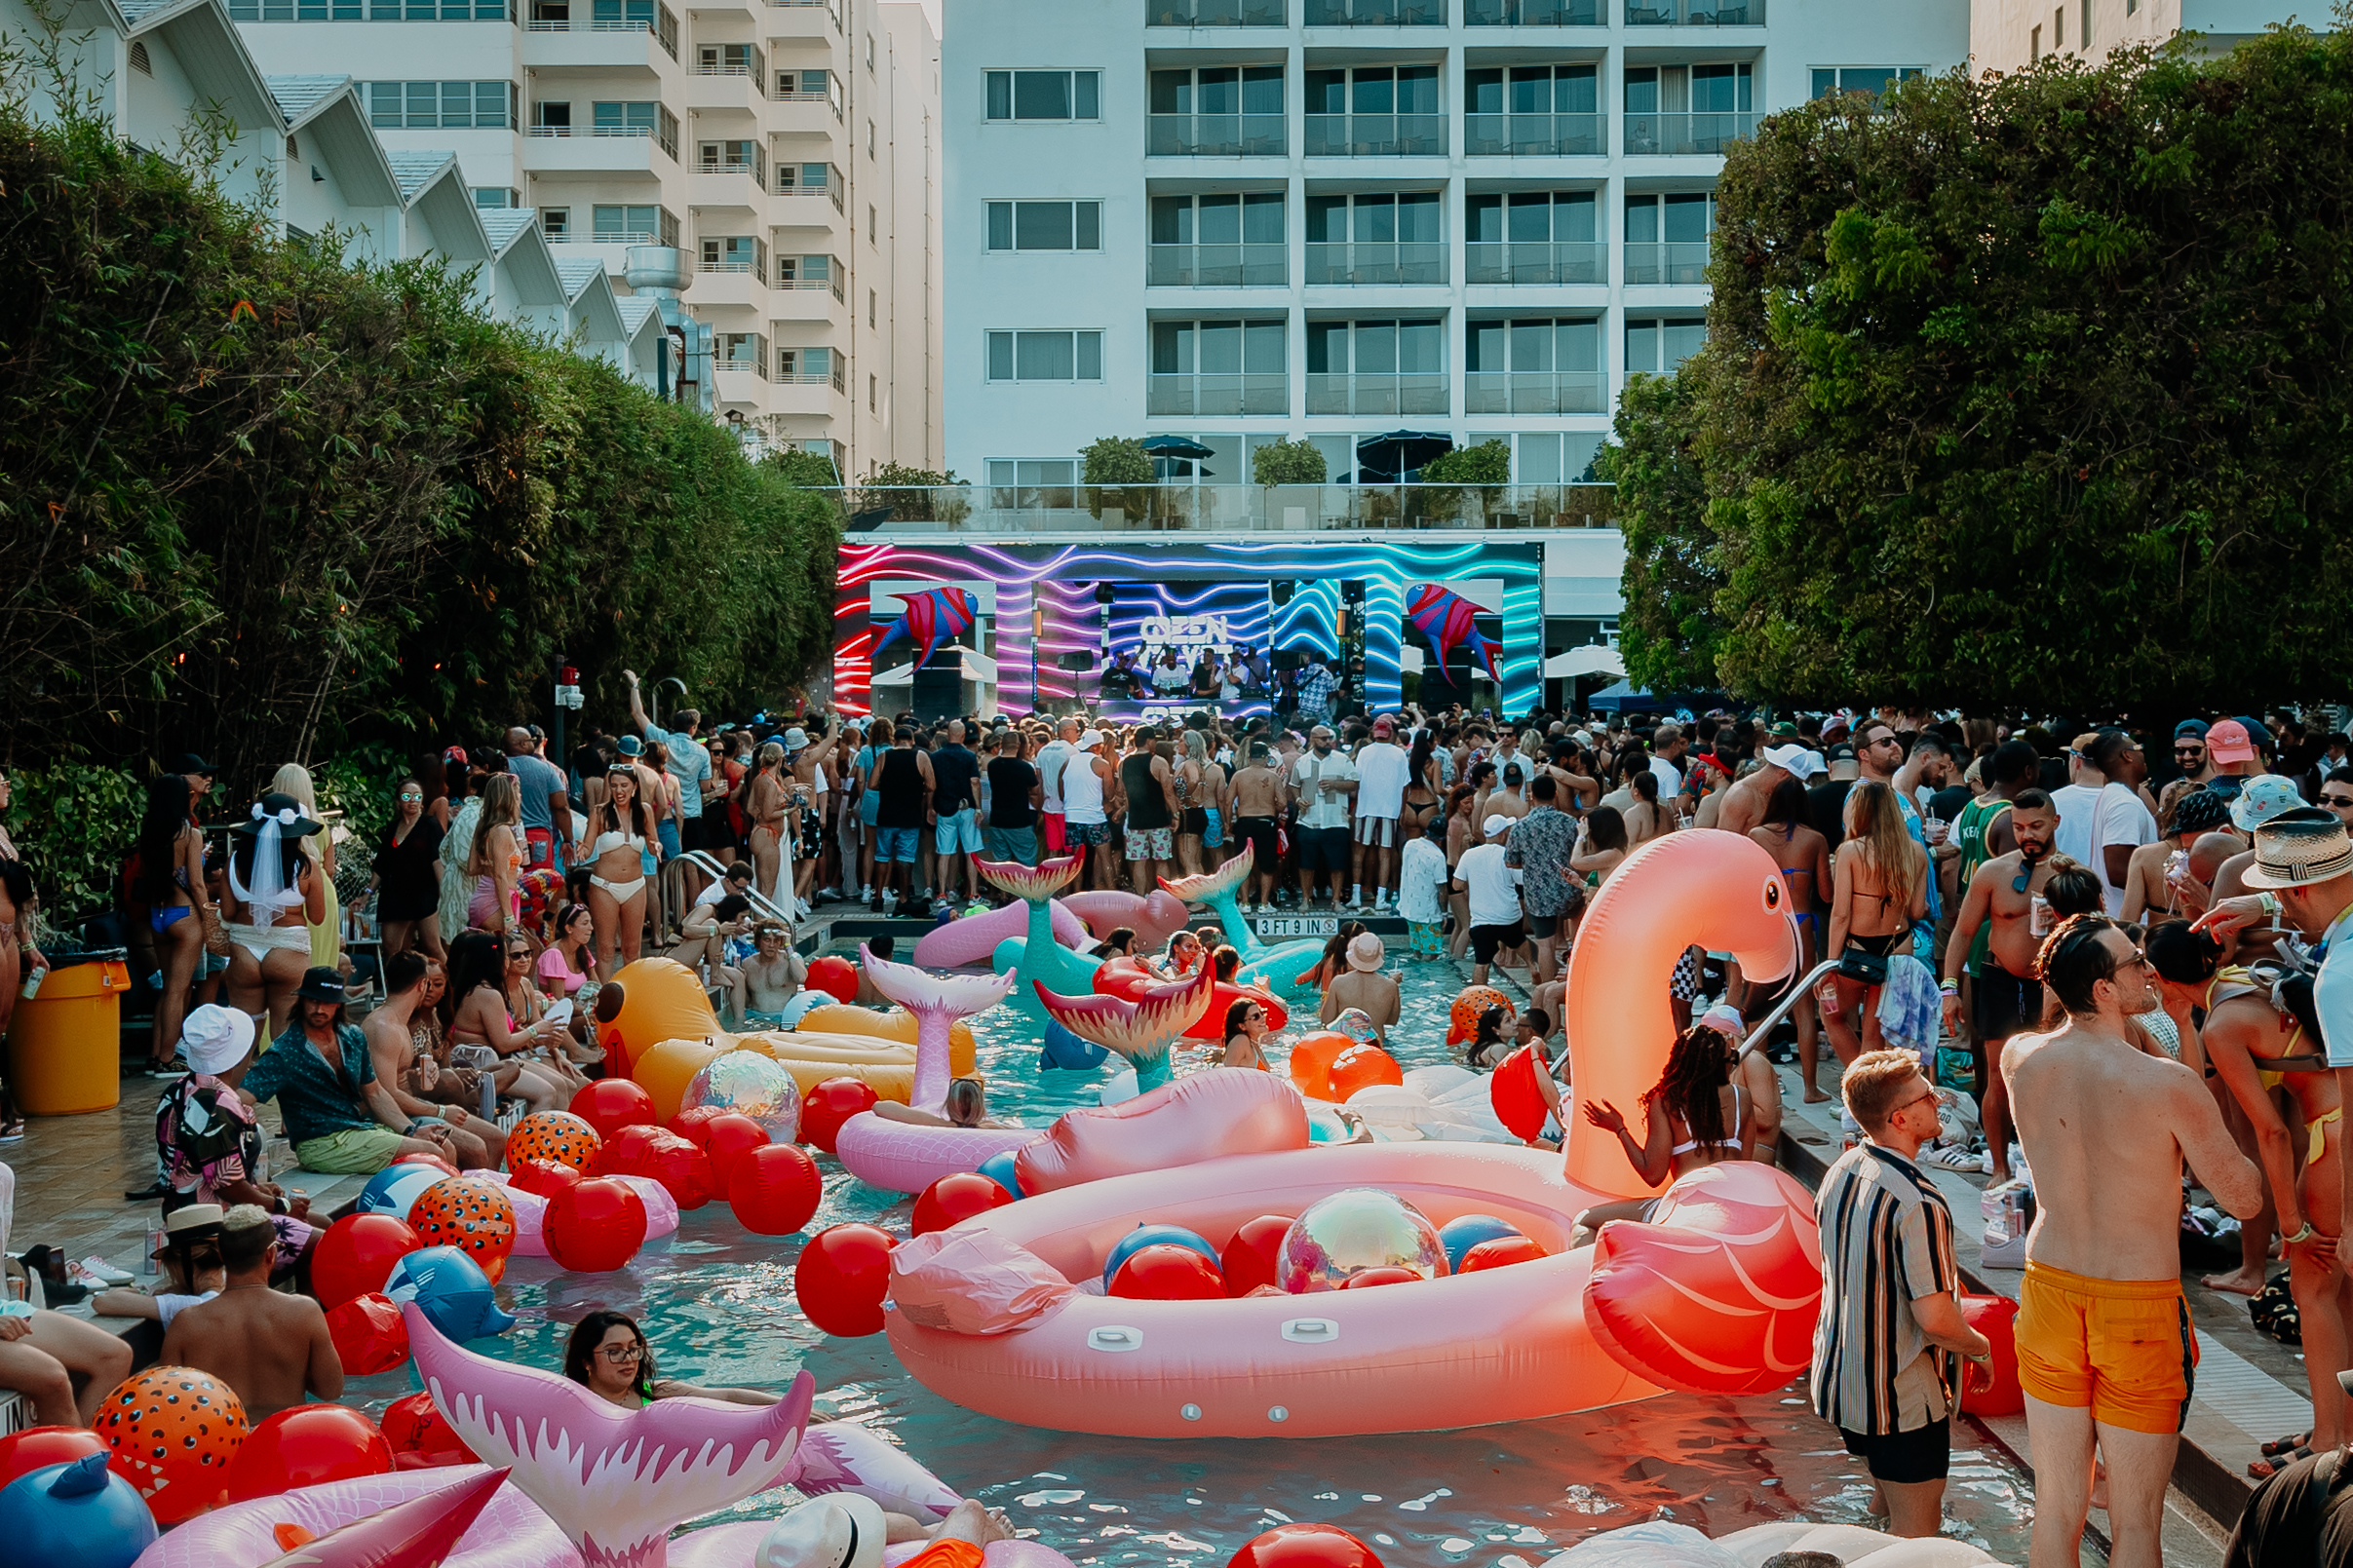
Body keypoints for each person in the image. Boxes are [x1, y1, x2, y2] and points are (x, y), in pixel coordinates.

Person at [2005, 914, 2263, 1568]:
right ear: (2102, 990)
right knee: (2137, 1525)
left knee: (2058, 1504)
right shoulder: (2169, 1083)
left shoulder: (2020, 1059)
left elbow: (2083, 1047)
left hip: (2048, 1290)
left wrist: (2141, 1018)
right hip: (2139, 1308)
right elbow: (2245, 1199)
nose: (2147, 967)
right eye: (2132, 962)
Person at [1808, 1051, 1996, 1538]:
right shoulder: (1919, 1201)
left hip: (1841, 1382)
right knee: (1916, 1540)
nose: (1938, 1100)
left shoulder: (1843, 1168)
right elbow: (1934, 1318)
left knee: (1881, 1508)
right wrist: (1980, 1347)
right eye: (1926, 1096)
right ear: (1900, 1118)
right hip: (1898, 1397)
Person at [1938, 789, 2063, 1184]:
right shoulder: (1993, 872)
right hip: (1999, 979)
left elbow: (2091, 930)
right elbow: (1963, 932)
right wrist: (1949, 988)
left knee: (2052, 1073)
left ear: (2055, 824)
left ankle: (2045, 1161)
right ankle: (1999, 1165)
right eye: (2020, 827)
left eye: (2037, 826)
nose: (2028, 835)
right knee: (1997, 1074)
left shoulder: (2070, 874)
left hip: (2052, 984)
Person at [239, 967, 453, 1173]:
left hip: (358, 1131)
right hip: (320, 1145)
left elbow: (375, 1093)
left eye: (327, 1002)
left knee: (445, 1147)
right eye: (313, 1001)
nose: (319, 1009)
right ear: (302, 1001)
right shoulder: (285, 1051)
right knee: (432, 1154)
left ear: (338, 1004)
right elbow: (242, 1097)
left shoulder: (352, 1036)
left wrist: (411, 1131)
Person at [1572, 1024, 1755, 1241]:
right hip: (1733, 1201)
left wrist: (1619, 1129)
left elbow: (1653, 1174)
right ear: (1719, 1065)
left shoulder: (1668, 1102)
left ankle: (1591, 1273)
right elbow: (1745, 1166)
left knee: (1584, 1220)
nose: (1732, 1066)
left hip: (1686, 1203)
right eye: (1732, 1059)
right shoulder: (1741, 1098)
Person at [162, 1205, 341, 1421]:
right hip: (283, 1440)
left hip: (223, 1445)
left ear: (220, 1256)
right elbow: (331, 1390)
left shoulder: (187, 1323)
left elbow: (168, 1403)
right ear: (271, 1254)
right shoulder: (304, 1312)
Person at [155, 1004, 316, 1237]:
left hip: (179, 1213)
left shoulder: (176, 1091)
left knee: (318, 1224)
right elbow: (228, 1187)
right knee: (320, 1237)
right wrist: (283, 1206)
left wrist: (258, 1189)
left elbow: (208, 1168)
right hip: (218, 1226)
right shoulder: (220, 1106)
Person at [363, 952, 502, 1169]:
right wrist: (441, 1112)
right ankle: (468, 1199)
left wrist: (417, 1074)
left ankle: (488, 1198)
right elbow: (386, 1093)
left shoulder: (399, 1020)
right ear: (422, 985)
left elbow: (389, 1075)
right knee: (475, 1148)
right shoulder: (384, 1028)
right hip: (396, 1117)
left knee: (496, 1138)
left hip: (414, 1106)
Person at [1824, 781, 1930, 1067]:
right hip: (1898, 947)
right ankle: (1871, 1094)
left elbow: (1841, 914)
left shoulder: (1850, 850)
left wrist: (1831, 965)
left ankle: (1857, 1088)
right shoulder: (1916, 850)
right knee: (1874, 1032)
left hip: (1860, 948)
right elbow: (1918, 911)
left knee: (1830, 1014)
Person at [1752, 777, 1832, 1101]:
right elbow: (1825, 895)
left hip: (1768, 923)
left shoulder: (1756, 836)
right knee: (1803, 1009)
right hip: (1800, 924)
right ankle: (1811, 1088)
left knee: (1760, 1007)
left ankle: (1756, 1085)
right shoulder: (1814, 839)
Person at [223, 791, 330, 1035]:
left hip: (244, 952)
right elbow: (317, 916)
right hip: (288, 952)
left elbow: (228, 912)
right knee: (286, 1035)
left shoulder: (233, 862)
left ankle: (238, 1075)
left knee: (242, 1035)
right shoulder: (307, 866)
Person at [135, 773, 212, 1074]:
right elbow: (197, 883)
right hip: (184, 916)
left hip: (158, 915)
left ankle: (157, 1055)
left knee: (168, 989)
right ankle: (168, 1058)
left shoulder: (149, 833)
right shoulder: (190, 835)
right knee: (179, 990)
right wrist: (209, 920)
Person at [565, 1309, 782, 1407]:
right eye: (614, 1351)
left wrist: (792, 1408)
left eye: (633, 1348)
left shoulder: (656, 1394)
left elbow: (726, 1396)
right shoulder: (571, 1406)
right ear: (586, 1361)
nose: (629, 1359)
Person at [583, 763, 660, 974]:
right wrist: (581, 850)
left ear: (634, 786)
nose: (619, 791)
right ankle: (605, 1000)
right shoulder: (600, 812)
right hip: (604, 886)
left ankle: (632, 998)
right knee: (606, 949)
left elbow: (653, 845)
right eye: (614, 786)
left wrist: (657, 846)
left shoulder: (644, 811)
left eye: (624, 785)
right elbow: (588, 847)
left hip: (635, 886)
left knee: (632, 951)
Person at [1505, 774, 1581, 985]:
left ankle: (1548, 989)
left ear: (1532, 796)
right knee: (1576, 940)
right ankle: (1574, 983)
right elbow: (1580, 854)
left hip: (1538, 892)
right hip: (1569, 887)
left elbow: (1510, 861)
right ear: (1555, 794)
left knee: (1545, 946)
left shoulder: (1521, 826)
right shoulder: (1570, 823)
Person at [372, 778, 446, 963]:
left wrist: (445, 892)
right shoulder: (391, 828)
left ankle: (452, 988)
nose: (412, 800)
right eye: (407, 796)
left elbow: (438, 861)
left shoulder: (430, 824)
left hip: (424, 894)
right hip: (396, 894)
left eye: (417, 796)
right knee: (392, 948)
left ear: (422, 800)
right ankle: (401, 987)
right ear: (399, 801)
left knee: (432, 947)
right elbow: (381, 865)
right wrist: (367, 893)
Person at [1289, 724, 1357, 906]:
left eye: (1329, 738)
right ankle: (1306, 898)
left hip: (1336, 820)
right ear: (1312, 740)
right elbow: (1293, 785)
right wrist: (1298, 800)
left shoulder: (1342, 760)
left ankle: (1336, 900)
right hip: (1308, 820)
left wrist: (1335, 784)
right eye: (1323, 739)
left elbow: (1354, 783)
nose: (1328, 742)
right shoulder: (1302, 762)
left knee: (1337, 864)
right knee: (1305, 864)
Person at [868, 725, 933, 914]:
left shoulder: (884, 756)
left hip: (886, 814)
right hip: (910, 816)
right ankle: (903, 898)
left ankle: (878, 898)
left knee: (882, 856)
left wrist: (888, 788)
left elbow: (871, 784)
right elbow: (931, 785)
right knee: (905, 858)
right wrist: (915, 789)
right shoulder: (920, 756)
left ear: (894, 741)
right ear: (912, 741)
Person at [1454, 815, 1525, 988]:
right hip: (1509, 916)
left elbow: (1456, 885)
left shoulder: (1469, 855)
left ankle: (1478, 995)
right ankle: (1533, 966)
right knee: (1521, 942)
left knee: (1482, 962)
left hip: (1482, 919)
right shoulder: (1507, 855)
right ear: (1502, 835)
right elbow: (1521, 880)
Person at [1350, 716, 1410, 910]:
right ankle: (1381, 898)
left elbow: (1356, 781)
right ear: (1391, 732)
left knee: (1359, 852)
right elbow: (1405, 785)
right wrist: (1402, 810)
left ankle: (1356, 895)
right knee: (1386, 853)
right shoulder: (1399, 754)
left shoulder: (1364, 752)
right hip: (1389, 809)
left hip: (1365, 807)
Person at [504, 726, 574, 877]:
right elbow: (561, 807)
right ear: (523, 744)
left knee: (510, 883)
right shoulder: (546, 769)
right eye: (530, 741)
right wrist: (568, 839)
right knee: (541, 884)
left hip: (506, 835)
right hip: (538, 837)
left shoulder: (500, 768)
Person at [927, 720, 984, 905]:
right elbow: (974, 782)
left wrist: (931, 806)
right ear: (962, 735)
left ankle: (942, 894)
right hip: (966, 808)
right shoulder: (969, 757)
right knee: (971, 852)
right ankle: (973, 894)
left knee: (944, 852)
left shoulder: (935, 757)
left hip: (945, 809)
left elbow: (931, 786)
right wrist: (978, 807)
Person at [462, 772, 525, 936]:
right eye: (516, 792)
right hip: (496, 902)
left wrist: (493, 867)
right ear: (508, 798)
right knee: (508, 951)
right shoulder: (502, 831)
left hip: (483, 897)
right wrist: (508, 917)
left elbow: (472, 868)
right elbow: (499, 875)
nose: (519, 796)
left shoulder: (483, 826)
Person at [1225, 740, 1285, 913]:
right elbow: (1281, 803)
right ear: (1266, 758)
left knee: (1244, 865)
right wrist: (1271, 806)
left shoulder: (1239, 775)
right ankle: (1264, 904)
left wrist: (1228, 822)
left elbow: (1228, 801)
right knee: (1267, 865)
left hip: (1245, 822)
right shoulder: (1272, 776)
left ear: (1249, 758)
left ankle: (1244, 903)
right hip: (1266, 822)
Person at [1120, 726, 1179, 896]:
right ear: (1148, 741)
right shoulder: (1158, 761)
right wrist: (1175, 814)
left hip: (1135, 819)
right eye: (1154, 739)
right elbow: (1168, 792)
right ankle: (1164, 896)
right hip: (1158, 819)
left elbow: (1121, 791)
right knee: (1161, 861)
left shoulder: (1124, 762)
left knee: (1139, 861)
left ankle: (1140, 896)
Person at [1319, 932, 1401, 1044]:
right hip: (1376, 1045)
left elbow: (1326, 1021)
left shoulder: (1338, 982)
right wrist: (1392, 984)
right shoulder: (1391, 985)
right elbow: (1392, 1020)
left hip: (1347, 1043)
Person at [982, 727, 1041, 868]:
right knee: (1026, 858)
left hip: (997, 819)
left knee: (1001, 861)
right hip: (1020, 820)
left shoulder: (992, 765)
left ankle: (1003, 890)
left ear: (1001, 745)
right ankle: (1023, 889)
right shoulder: (1025, 767)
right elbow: (1034, 791)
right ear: (1018, 745)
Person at [1398, 814, 1451, 960]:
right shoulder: (1437, 856)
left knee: (1417, 952)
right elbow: (1442, 889)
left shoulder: (1410, 845)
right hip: (1428, 914)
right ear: (1442, 837)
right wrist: (1444, 913)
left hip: (1409, 908)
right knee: (1431, 955)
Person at [740, 919, 808, 1024]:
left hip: (783, 1019)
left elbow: (801, 978)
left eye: (776, 941)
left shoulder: (791, 959)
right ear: (758, 941)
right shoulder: (747, 964)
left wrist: (789, 947)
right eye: (767, 940)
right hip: (756, 1019)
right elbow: (746, 1001)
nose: (771, 945)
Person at [872, 1077, 1006, 1128]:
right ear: (980, 1107)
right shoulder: (990, 1128)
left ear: (949, 1105)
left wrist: (941, 1123)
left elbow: (879, 1106)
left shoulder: (937, 1124)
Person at [1034, 716, 1081, 860]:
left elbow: (1039, 781)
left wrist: (1040, 806)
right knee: (1069, 852)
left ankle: (1052, 881)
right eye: (1076, 730)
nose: (1078, 734)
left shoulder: (1043, 750)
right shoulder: (1072, 751)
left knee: (1053, 851)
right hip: (1066, 808)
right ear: (1066, 732)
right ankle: (1067, 883)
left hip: (1048, 807)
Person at [1218, 999, 1273, 1070]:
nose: (1263, 1018)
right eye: (1255, 1017)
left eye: (1262, 1013)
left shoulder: (1254, 1044)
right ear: (1242, 1026)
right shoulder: (1241, 1040)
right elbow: (1227, 1075)